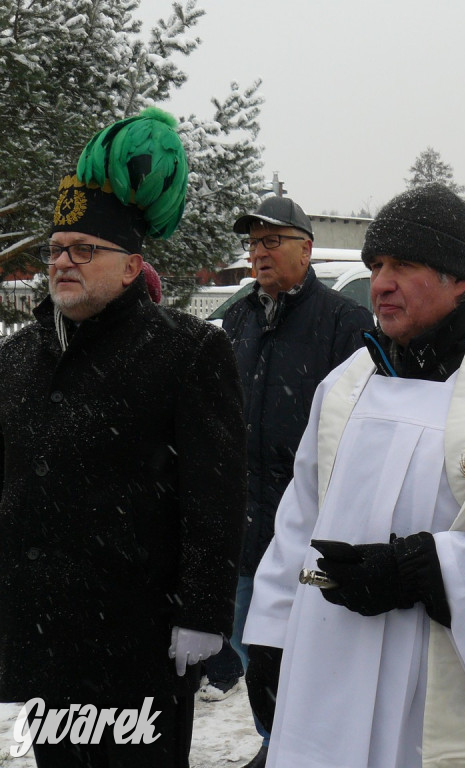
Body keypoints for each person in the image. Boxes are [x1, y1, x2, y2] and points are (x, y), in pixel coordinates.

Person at [241, 183, 465, 767]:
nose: (380, 283)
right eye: (375, 265)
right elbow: (299, 520)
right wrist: (272, 633)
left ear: (460, 279)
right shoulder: (347, 387)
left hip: (456, 687)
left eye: (403, 266)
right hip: (334, 673)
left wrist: (426, 570)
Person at [0, 109, 245, 766]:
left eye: (85, 250)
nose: (64, 263)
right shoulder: (19, 356)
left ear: (133, 265)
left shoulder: (188, 351)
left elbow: (214, 498)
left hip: (139, 639)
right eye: (56, 249)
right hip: (45, 642)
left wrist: (203, 609)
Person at [221, 194, 373, 767]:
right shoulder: (235, 322)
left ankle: (304, 745)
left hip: (305, 525)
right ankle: (274, 739)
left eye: (271, 241)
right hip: (243, 524)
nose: (259, 253)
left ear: (305, 250)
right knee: (248, 642)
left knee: (303, 652)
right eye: (254, 243)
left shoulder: (343, 323)